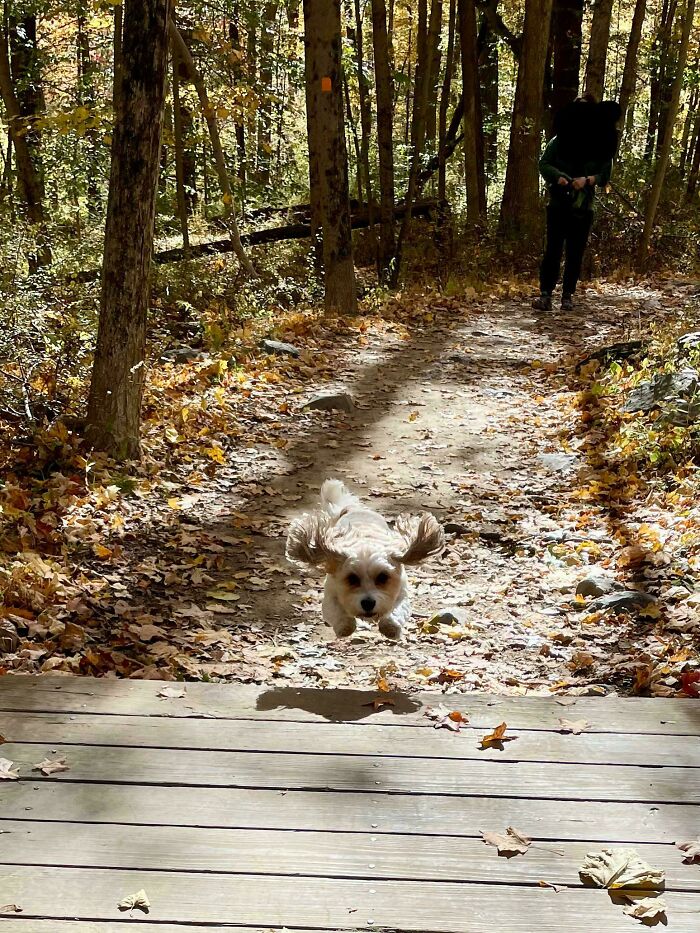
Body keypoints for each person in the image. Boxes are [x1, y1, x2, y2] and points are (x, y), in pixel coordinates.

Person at [533, 98, 621, 313]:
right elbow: (544, 163)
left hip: (583, 208)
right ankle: (545, 295)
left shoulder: (602, 144)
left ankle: (567, 296)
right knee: (552, 250)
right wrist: (560, 177)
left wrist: (588, 180)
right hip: (558, 203)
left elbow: (605, 174)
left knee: (575, 252)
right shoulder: (559, 140)